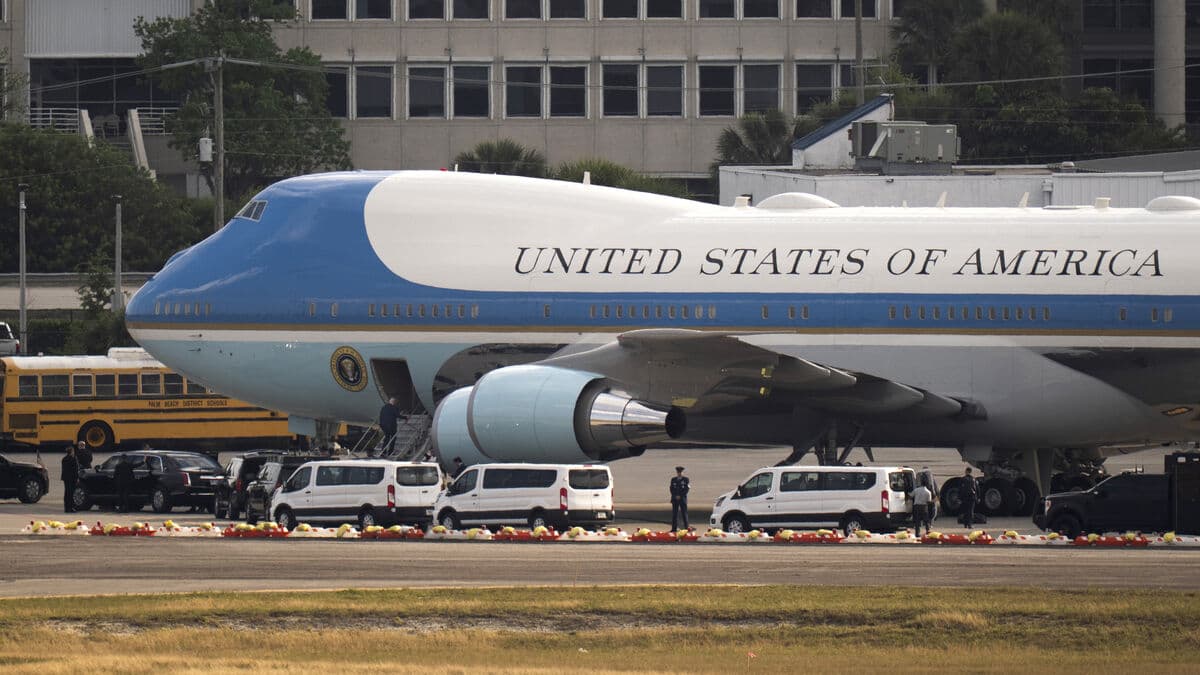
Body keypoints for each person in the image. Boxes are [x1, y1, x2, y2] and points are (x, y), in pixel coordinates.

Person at [670, 466, 690, 531]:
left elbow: (686, 489)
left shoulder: (686, 479)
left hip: (682, 499)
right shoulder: (673, 479)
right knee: (674, 514)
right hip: (675, 499)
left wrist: (680, 496)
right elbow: (671, 489)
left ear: (682, 472)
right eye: (678, 472)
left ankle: (686, 528)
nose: (679, 473)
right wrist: (675, 495)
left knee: (684, 513)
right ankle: (673, 528)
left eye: (680, 472)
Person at [61, 446, 79, 513]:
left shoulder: (64, 459)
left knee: (66, 493)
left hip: (66, 478)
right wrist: (77, 478)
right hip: (72, 478)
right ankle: (71, 507)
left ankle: (66, 508)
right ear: (71, 452)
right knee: (71, 493)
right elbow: (76, 469)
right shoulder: (73, 459)